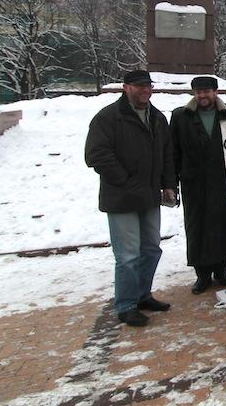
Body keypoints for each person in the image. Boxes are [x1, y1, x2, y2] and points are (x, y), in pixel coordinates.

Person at [84, 70, 175, 327]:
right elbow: (96, 155)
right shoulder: (108, 118)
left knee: (151, 249)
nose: (145, 90)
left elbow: (167, 154)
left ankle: (142, 295)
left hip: (149, 197)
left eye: (148, 86)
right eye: (138, 86)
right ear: (126, 88)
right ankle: (126, 305)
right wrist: (125, 180)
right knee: (127, 255)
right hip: (122, 198)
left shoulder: (157, 117)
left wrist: (168, 184)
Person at [170, 76, 226, 295]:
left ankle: (222, 270)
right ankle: (201, 274)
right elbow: (173, 151)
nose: (203, 96)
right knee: (197, 227)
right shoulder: (181, 116)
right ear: (194, 94)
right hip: (195, 182)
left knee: (223, 225)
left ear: (215, 92)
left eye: (207, 91)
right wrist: (171, 183)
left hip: (223, 181)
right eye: (199, 92)